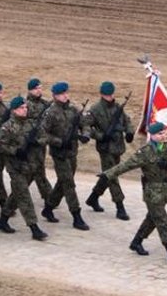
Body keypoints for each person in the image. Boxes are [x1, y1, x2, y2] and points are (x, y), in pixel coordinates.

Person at [102, 121, 167, 266]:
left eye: (164, 133)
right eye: (160, 134)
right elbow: (126, 165)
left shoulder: (166, 147)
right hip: (151, 191)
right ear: (152, 135)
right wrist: (108, 174)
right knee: (161, 220)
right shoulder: (145, 152)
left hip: (164, 189)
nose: (164, 136)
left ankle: (137, 241)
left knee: (152, 219)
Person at [0, 96, 49, 240]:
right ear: (14, 110)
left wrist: (36, 142)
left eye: (25, 107)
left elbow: (44, 137)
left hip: (30, 167)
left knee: (16, 195)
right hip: (15, 168)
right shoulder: (8, 127)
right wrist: (16, 151)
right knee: (24, 197)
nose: (25, 110)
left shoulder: (32, 124)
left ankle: (3, 220)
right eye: (22, 108)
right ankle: (34, 228)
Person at [40, 81, 90, 231]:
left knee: (63, 182)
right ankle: (76, 216)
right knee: (68, 183)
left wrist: (85, 135)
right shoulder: (50, 112)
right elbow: (42, 133)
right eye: (62, 94)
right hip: (59, 153)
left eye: (66, 93)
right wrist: (58, 141)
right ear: (55, 96)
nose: (66, 95)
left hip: (72, 152)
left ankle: (48, 207)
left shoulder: (73, 109)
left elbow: (85, 124)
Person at [84, 81, 134, 220]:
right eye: (107, 95)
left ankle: (93, 198)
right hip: (105, 148)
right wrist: (100, 136)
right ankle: (120, 206)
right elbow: (86, 126)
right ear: (101, 94)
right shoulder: (95, 109)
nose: (110, 97)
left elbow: (127, 121)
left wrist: (130, 132)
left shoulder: (118, 107)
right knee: (112, 176)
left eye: (111, 94)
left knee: (108, 175)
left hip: (118, 146)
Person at [25, 77, 54, 203]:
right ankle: (48, 195)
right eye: (36, 88)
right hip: (30, 142)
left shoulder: (44, 104)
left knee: (37, 168)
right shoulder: (26, 105)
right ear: (30, 90)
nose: (39, 90)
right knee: (36, 169)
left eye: (40, 88)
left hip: (41, 142)